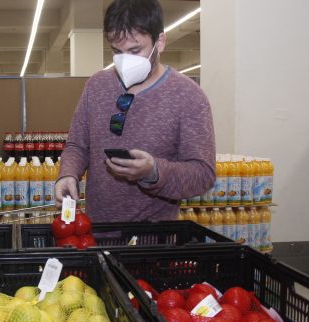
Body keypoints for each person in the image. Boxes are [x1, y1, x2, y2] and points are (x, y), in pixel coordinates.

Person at [55, 0, 216, 222]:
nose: (125, 61)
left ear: (159, 42)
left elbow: (202, 175)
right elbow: (77, 145)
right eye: (116, 51)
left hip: (154, 240)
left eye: (135, 50)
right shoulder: (97, 86)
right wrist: (68, 174)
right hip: (96, 233)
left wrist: (154, 172)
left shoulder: (189, 97)